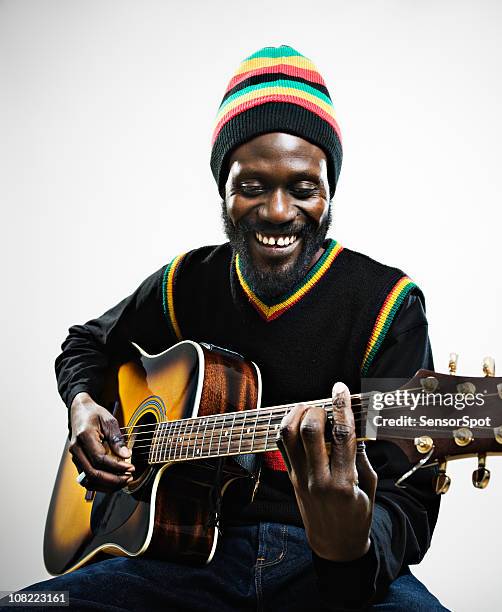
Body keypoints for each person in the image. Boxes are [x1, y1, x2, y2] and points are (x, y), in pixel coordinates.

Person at [11, 45, 449, 611]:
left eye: (303, 188)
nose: (276, 211)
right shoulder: (186, 281)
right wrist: (83, 405)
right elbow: (87, 343)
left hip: (328, 567)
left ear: (329, 192)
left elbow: (408, 499)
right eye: (252, 186)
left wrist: (351, 545)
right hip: (178, 563)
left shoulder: (387, 304)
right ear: (223, 187)